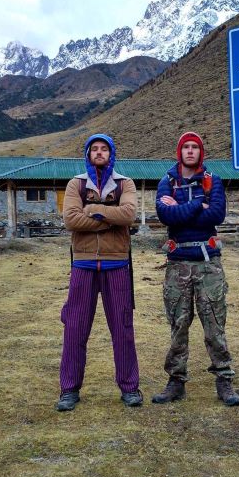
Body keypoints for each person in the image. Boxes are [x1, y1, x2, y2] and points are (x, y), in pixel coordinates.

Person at [153, 132, 239, 407]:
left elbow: (216, 215)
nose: (190, 151)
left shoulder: (213, 180)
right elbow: (166, 216)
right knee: (178, 324)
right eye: (186, 147)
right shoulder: (166, 182)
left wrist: (182, 208)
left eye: (195, 147)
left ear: (200, 152)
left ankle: (224, 380)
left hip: (208, 262)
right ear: (179, 152)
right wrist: (195, 204)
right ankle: (176, 382)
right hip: (178, 262)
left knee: (214, 323)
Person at [56, 134, 142, 410]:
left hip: (117, 264)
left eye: (104, 149)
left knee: (123, 329)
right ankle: (69, 389)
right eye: (94, 149)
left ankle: (130, 387)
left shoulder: (125, 183)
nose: (99, 153)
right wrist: (109, 219)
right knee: (75, 328)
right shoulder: (75, 184)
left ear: (111, 153)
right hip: (83, 264)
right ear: (88, 154)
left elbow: (128, 215)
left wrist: (92, 210)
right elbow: (71, 219)